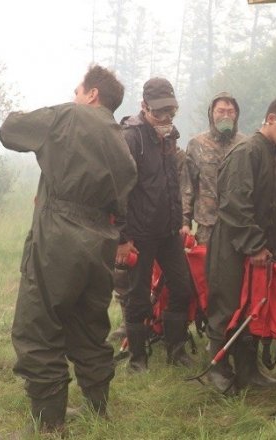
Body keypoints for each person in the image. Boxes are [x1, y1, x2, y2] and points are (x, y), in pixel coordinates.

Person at [0, 65, 136, 436]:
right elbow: (123, 203)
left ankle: (48, 424)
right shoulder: (121, 141)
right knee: (89, 325)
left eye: (77, 90)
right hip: (102, 241)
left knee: (38, 324)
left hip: (60, 234)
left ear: (92, 95)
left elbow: (10, 130)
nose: (74, 95)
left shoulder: (70, 115)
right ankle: (97, 410)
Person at [204, 96, 276, 393]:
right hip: (231, 244)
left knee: (251, 306)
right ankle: (218, 368)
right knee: (226, 303)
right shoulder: (246, 151)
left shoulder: (274, 155)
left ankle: (248, 371)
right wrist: (254, 245)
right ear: (272, 119)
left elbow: (273, 209)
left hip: (259, 246)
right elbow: (236, 205)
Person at [117, 77, 200, 373]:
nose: (166, 118)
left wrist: (179, 221)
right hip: (138, 233)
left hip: (168, 231)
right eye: (160, 112)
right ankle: (137, 359)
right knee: (136, 298)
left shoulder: (170, 136)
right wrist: (123, 237)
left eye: (171, 112)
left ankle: (176, 351)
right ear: (144, 106)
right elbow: (119, 190)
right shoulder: (131, 137)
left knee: (182, 289)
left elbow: (170, 184)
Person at [180, 92, 247, 245]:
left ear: (236, 115)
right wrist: (184, 222)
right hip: (207, 227)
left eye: (230, 112)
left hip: (238, 226)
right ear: (212, 114)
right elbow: (187, 186)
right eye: (221, 111)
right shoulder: (197, 144)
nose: (226, 116)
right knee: (205, 268)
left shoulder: (245, 145)